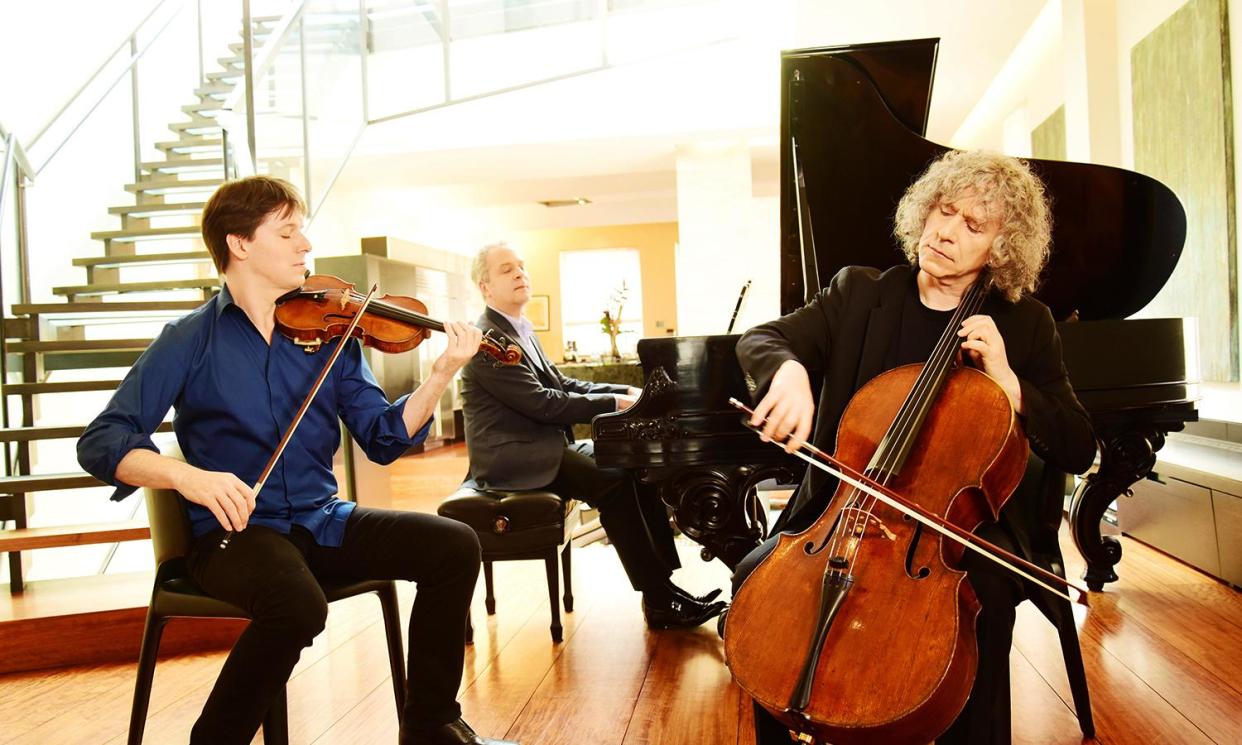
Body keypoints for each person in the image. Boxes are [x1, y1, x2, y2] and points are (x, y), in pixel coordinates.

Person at [77, 176, 516, 745]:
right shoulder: (190, 339)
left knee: (453, 544)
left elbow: (385, 437)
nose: (305, 246)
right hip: (235, 535)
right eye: (287, 233)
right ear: (239, 244)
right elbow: (103, 440)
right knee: (297, 605)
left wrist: (439, 375)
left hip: (322, 519)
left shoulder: (332, 333)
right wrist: (185, 476)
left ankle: (431, 726)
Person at [730, 150, 1097, 744]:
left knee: (985, 600)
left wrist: (1011, 385)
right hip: (841, 510)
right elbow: (764, 337)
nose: (947, 232)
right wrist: (788, 372)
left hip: (959, 527)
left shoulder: (1026, 323)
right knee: (757, 583)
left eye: (974, 226)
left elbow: (1079, 446)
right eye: (944, 211)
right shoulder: (859, 294)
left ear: (1001, 249)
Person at [458, 242, 727, 630]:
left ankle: (664, 587)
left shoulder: (518, 331)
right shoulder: (487, 339)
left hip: (540, 445)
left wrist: (622, 393)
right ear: (485, 288)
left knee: (638, 464)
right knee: (612, 482)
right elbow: (543, 404)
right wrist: (615, 402)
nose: (520, 273)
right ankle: (659, 599)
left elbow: (563, 383)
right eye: (506, 270)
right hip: (512, 457)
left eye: (521, 265)